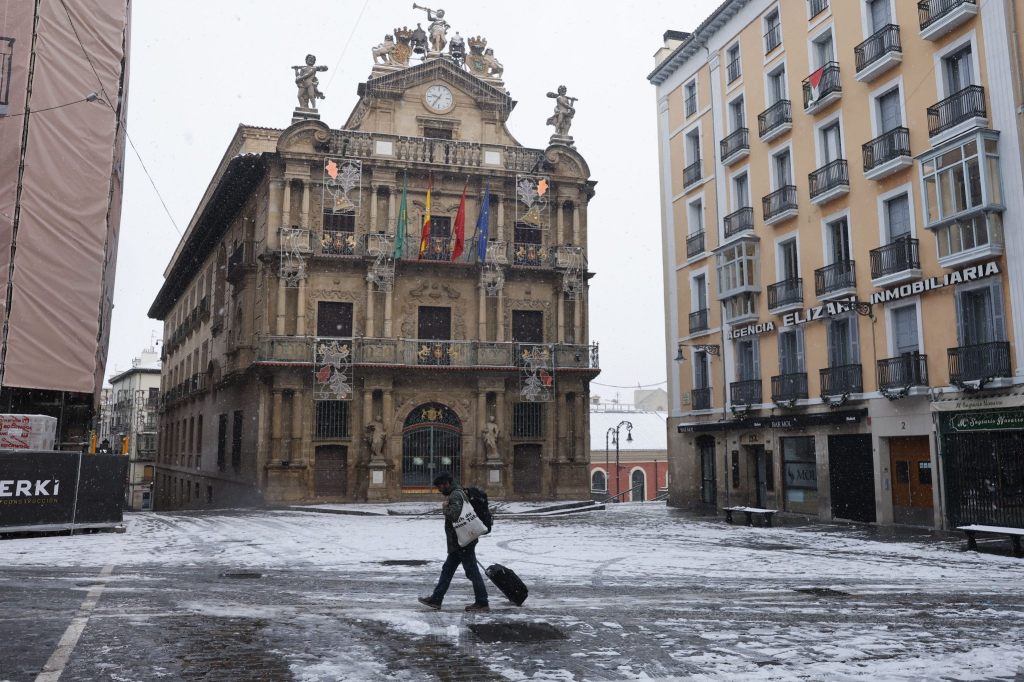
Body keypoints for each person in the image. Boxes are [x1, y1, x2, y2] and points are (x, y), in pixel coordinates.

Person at [418, 472, 489, 612]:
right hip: (460, 541)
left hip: (463, 541)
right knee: (448, 570)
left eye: (440, 487)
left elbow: (454, 516)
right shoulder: (459, 492)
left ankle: (482, 602)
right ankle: (436, 599)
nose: (439, 490)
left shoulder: (456, 495)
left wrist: (445, 507)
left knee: (472, 572)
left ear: (447, 484)